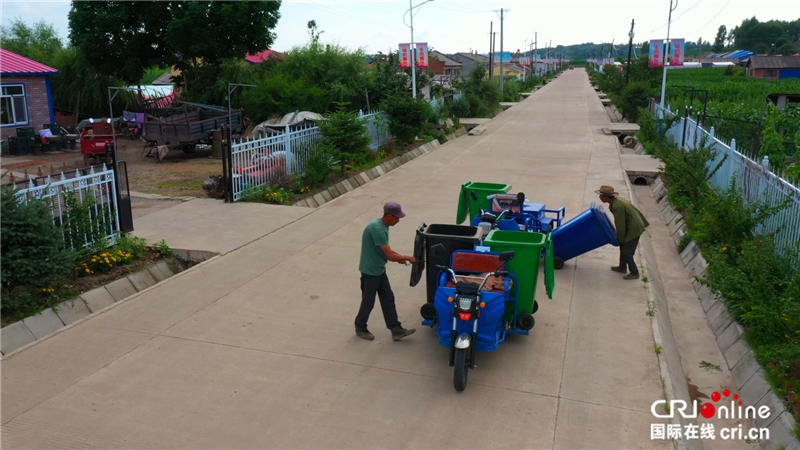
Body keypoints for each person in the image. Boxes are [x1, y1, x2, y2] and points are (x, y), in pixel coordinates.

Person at [355, 202, 417, 341]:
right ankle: (360, 327)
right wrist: (407, 257)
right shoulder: (376, 228)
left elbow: (386, 250)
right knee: (368, 302)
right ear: (389, 216)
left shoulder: (383, 226)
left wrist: (400, 257)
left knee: (388, 298)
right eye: (397, 217)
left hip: (379, 270)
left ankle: (395, 329)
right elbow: (389, 255)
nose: (398, 220)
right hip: (370, 272)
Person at [596, 185, 650, 280]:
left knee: (627, 253)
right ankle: (622, 267)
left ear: (606, 196)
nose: (599, 197)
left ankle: (634, 273)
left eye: (600, 195)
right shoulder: (617, 201)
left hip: (634, 229)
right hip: (633, 225)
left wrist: (619, 239)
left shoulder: (617, 206)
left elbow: (620, 224)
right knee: (623, 247)